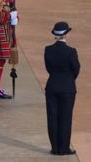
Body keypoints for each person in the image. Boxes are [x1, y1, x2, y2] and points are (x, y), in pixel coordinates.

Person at [44, 21, 80, 156]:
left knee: (52, 117)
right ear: (66, 35)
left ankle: (55, 148)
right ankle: (64, 148)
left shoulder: (48, 49)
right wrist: (69, 80)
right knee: (65, 118)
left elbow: (48, 68)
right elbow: (76, 69)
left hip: (52, 86)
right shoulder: (71, 51)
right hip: (67, 88)